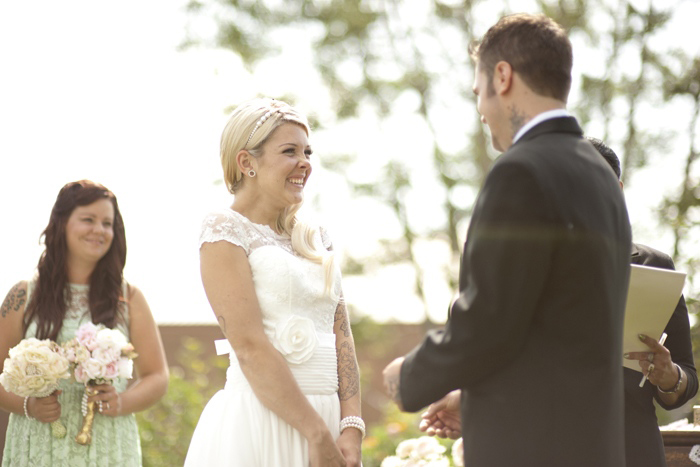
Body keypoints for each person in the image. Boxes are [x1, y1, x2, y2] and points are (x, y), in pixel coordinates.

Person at [382, 14, 632, 467]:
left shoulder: (521, 171)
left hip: (530, 450)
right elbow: (554, 328)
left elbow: (489, 319)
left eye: (478, 92)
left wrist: (412, 377)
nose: (481, 110)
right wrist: (474, 399)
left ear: (502, 76)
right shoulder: (597, 175)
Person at [184, 97, 362, 467]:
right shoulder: (224, 231)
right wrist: (315, 433)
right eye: (290, 151)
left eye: (308, 152)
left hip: (330, 424)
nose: (305, 163)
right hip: (261, 424)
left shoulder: (318, 237)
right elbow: (248, 346)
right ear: (247, 162)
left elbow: (341, 331)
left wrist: (350, 425)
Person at [0, 180, 169, 466]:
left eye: (107, 223)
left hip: (107, 446)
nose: (99, 230)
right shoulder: (22, 295)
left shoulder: (129, 298)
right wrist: (28, 406)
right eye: (88, 219)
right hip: (38, 446)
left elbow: (157, 375)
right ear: (62, 223)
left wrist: (121, 402)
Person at [589, 136, 698, 467]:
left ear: (617, 189)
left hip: (632, 447)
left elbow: (686, 375)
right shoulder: (536, 268)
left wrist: (669, 377)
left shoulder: (655, 266)